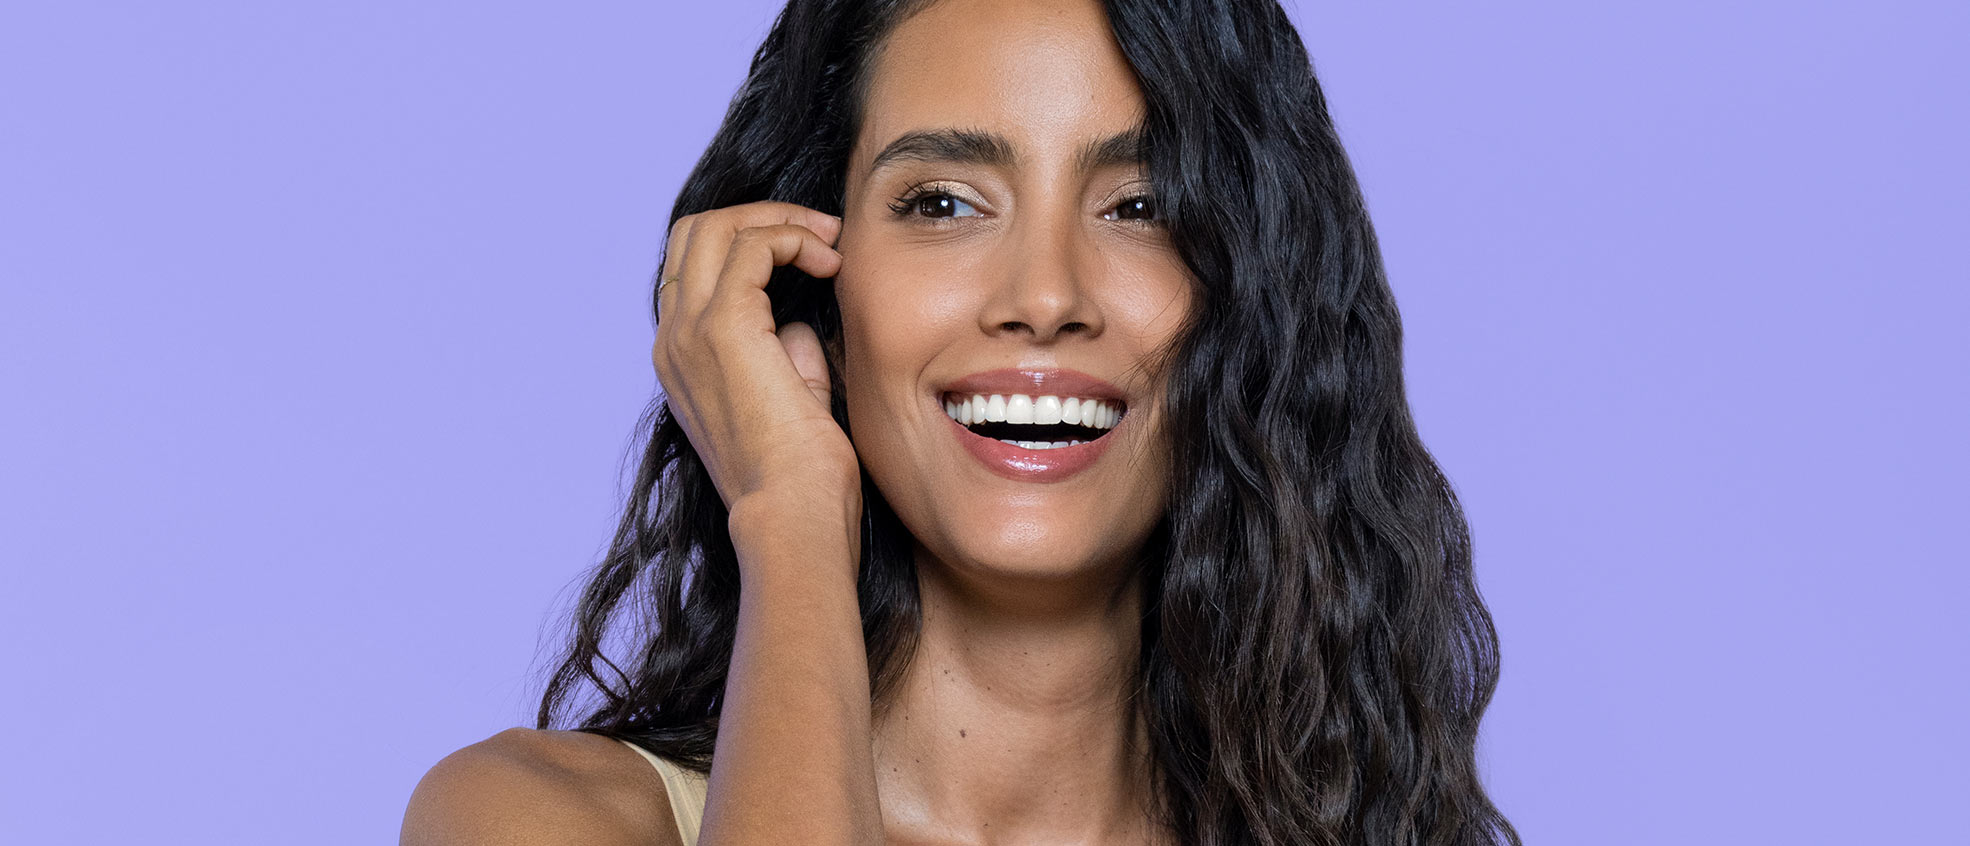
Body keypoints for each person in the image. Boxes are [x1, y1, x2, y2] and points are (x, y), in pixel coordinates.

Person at [402, 0, 1521, 843]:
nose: (1043, 296)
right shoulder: (537, 818)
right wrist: (789, 521)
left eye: (1141, 207)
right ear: (816, 295)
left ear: (1251, 301)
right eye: (941, 203)